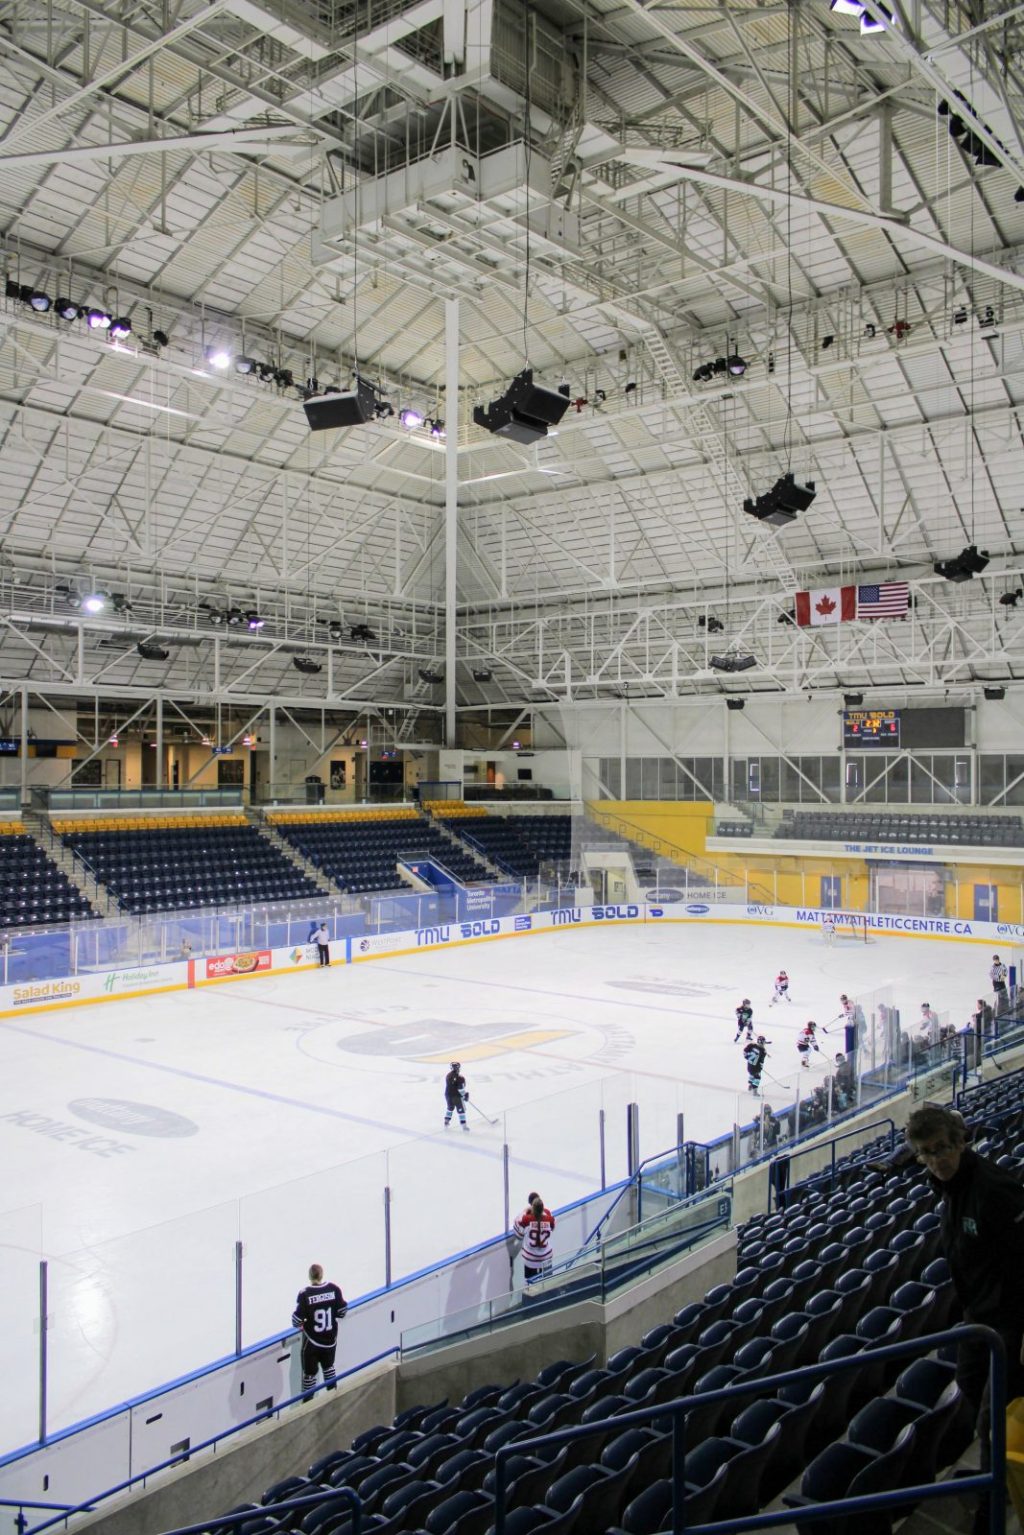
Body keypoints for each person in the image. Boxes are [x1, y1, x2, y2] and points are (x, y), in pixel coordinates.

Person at [904, 1103, 1024, 1533]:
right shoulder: (947, 1184)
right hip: (977, 1315)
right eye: (926, 1152)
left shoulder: (994, 1189)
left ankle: (992, 1512)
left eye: (942, 1148)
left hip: (1009, 1318)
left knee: (993, 1417)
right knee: (970, 1383)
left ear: (960, 1142)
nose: (937, 1159)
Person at [291, 1262, 347, 1399]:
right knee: (329, 1367)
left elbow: (296, 1321)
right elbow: (342, 1311)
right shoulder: (334, 1289)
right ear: (322, 1275)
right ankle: (334, 1396)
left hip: (312, 1342)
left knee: (309, 1375)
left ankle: (308, 1403)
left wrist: (304, 1324)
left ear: (309, 1276)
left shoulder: (305, 1294)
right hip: (330, 1341)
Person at [513, 1194, 555, 1283]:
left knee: (530, 1284)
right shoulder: (549, 1219)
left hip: (530, 1259)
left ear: (532, 1207)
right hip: (546, 1256)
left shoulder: (527, 1219)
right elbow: (552, 1227)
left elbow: (518, 1229)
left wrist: (524, 1212)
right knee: (548, 1282)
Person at [444, 1062, 469, 1131]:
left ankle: (446, 1121)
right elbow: (460, 1089)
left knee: (450, 1108)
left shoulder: (448, 1075)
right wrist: (465, 1095)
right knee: (461, 1110)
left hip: (448, 1095)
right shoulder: (460, 1078)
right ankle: (464, 1125)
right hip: (456, 1096)